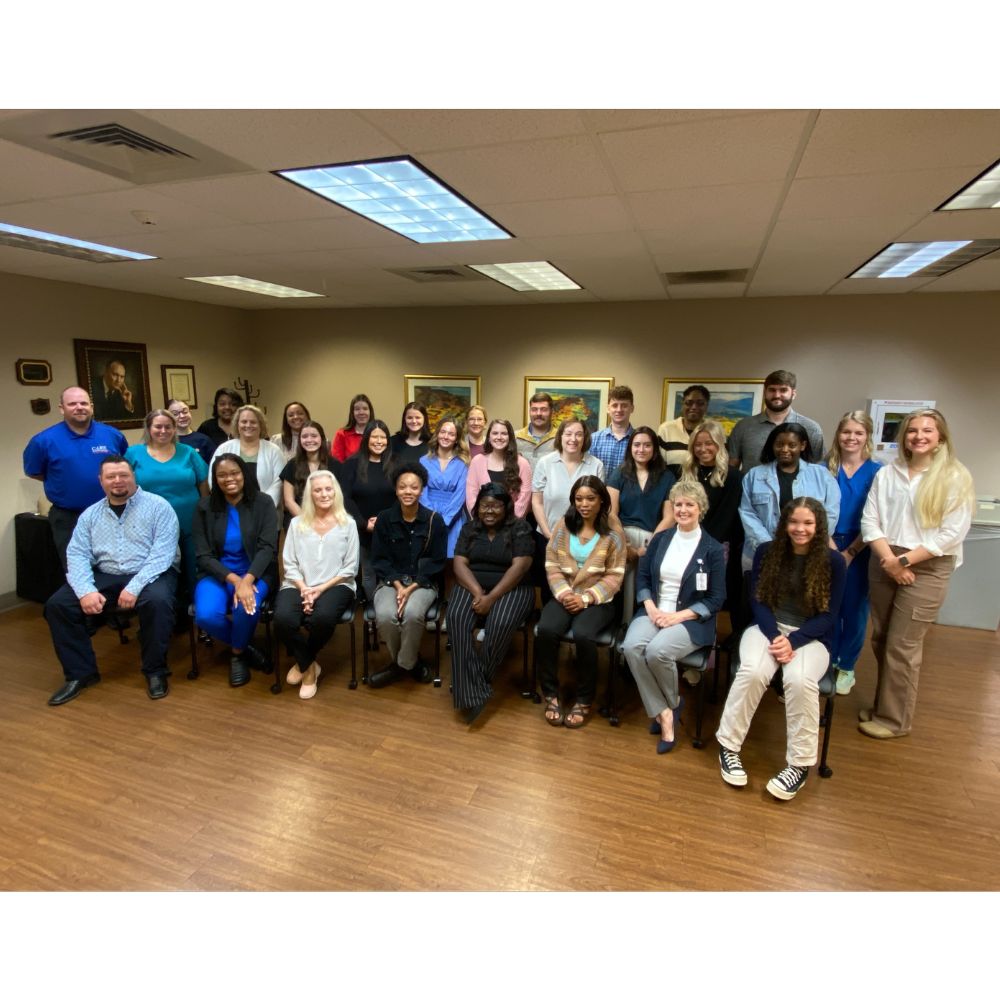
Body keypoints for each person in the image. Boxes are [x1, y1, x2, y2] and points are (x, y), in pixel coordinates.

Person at [716, 498, 846, 801]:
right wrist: (776, 636)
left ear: (819, 526)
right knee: (753, 671)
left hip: (811, 637)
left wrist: (794, 641)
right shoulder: (767, 552)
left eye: (808, 523)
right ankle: (729, 747)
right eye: (794, 522)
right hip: (767, 629)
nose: (800, 529)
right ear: (784, 523)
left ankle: (799, 766)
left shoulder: (834, 562)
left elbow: (830, 615)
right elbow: (758, 601)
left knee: (799, 681)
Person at [858, 408, 974, 740]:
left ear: (940, 439)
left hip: (928, 564)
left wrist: (904, 563)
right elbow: (871, 520)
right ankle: (884, 706)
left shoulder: (955, 476)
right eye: (912, 431)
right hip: (884, 557)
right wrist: (890, 560)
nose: (918, 436)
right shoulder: (888, 473)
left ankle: (895, 720)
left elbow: (951, 534)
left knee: (903, 645)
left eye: (927, 431)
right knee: (881, 638)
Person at [43, 456, 180, 705]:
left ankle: (155, 671)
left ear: (133, 476)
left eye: (123, 475)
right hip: (106, 573)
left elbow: (163, 554)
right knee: (58, 605)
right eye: (111, 477)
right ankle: (80, 674)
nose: (118, 481)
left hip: (151, 572)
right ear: (101, 481)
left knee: (156, 603)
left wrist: (135, 586)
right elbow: (76, 554)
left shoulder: (159, 507)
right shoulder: (89, 515)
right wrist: (85, 591)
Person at [622, 481, 726, 752]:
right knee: (631, 647)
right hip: (655, 611)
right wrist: (651, 608)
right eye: (678, 504)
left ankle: (666, 713)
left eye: (689, 504)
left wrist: (677, 616)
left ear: (700, 508)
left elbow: (716, 599)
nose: (682, 509)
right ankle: (668, 708)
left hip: (690, 619)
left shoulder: (712, 549)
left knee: (657, 651)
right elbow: (643, 577)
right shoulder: (661, 539)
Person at [536, 476, 627, 729]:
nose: (584, 504)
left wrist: (585, 598)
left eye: (590, 498)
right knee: (546, 629)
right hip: (565, 593)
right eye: (579, 499)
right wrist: (565, 594)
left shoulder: (613, 529)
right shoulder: (564, 525)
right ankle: (551, 694)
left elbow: (615, 575)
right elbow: (552, 563)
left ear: (601, 500)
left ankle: (585, 698)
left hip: (599, 599)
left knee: (584, 634)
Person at [450, 482, 535, 724]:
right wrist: (478, 591)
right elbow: (459, 564)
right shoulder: (469, 529)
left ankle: (471, 684)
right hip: (472, 584)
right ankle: (475, 687)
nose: (489, 511)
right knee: (456, 618)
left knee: (500, 622)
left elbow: (521, 567)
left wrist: (491, 598)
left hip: (513, 588)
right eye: (484, 506)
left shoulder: (520, 528)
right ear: (477, 508)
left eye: (495, 506)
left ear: (506, 508)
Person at [192, 454, 278, 687]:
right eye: (222, 475)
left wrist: (246, 581)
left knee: (246, 610)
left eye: (234, 473)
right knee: (206, 615)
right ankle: (245, 646)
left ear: (244, 475)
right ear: (214, 479)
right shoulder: (204, 507)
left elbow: (268, 548)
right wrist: (235, 581)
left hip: (256, 572)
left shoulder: (263, 503)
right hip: (217, 574)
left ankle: (238, 654)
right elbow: (203, 555)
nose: (229, 479)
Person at [275, 471, 360, 700]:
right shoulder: (296, 524)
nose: (324, 494)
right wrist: (304, 588)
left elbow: (350, 568)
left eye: (328, 489)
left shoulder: (348, 524)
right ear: (310, 495)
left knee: (321, 619)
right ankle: (310, 664)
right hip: (297, 583)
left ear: (336, 492)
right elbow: (289, 563)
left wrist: (319, 590)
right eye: (318, 490)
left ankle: (304, 664)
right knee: (282, 618)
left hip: (337, 584)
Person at [24, 386, 129, 569]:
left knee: (118, 565)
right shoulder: (43, 441)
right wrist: (67, 481)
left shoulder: (112, 435)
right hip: (68, 517)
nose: (79, 407)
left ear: (91, 407)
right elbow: (34, 472)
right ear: (61, 408)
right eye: (72, 404)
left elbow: (123, 465)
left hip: (111, 512)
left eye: (83, 403)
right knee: (77, 570)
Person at [367, 463, 448, 689]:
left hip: (422, 583)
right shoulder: (384, 519)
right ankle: (411, 663)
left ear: (422, 490)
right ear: (396, 490)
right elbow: (379, 560)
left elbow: (437, 561)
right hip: (389, 582)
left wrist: (411, 587)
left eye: (414, 487)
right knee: (384, 615)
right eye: (403, 487)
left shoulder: (434, 520)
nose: (408, 492)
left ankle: (399, 666)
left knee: (412, 613)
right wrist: (397, 586)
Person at [824, 411, 881, 696]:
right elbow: (814, 510)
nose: (851, 438)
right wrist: (833, 548)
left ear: (867, 436)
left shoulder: (878, 472)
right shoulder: (824, 468)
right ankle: (825, 658)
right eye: (846, 432)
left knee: (855, 609)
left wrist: (852, 551)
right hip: (824, 543)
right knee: (826, 605)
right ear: (838, 434)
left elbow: (877, 516)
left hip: (864, 546)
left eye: (858, 433)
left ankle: (846, 666)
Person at [125, 409, 208, 600]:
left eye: (168, 427)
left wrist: (205, 511)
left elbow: (203, 482)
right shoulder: (133, 453)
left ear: (174, 428)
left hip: (189, 522)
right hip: (150, 526)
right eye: (158, 426)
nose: (163, 431)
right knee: (161, 570)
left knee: (193, 567)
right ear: (149, 428)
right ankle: (167, 610)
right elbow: (124, 485)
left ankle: (196, 608)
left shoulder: (187, 452)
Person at [739, 422, 840, 572]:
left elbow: (830, 514)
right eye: (779, 444)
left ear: (803, 445)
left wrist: (804, 543)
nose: (785, 449)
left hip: (808, 553)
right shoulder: (754, 475)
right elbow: (747, 513)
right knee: (760, 594)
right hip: (763, 552)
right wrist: (769, 546)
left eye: (792, 445)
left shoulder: (822, 476)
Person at [607, 426, 676, 619]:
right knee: (619, 586)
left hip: (652, 538)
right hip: (621, 536)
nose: (641, 449)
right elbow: (611, 513)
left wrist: (650, 545)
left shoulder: (667, 476)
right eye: (637, 445)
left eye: (647, 445)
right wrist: (625, 545)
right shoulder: (619, 473)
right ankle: (619, 629)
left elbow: (669, 516)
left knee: (644, 587)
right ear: (630, 447)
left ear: (654, 449)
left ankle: (637, 627)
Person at [339, 420, 395, 601]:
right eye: (374, 437)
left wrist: (384, 522)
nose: (379, 441)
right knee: (369, 573)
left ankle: (388, 610)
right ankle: (373, 613)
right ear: (366, 439)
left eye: (383, 437)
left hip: (391, 528)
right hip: (362, 529)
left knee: (390, 572)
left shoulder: (396, 463)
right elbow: (345, 498)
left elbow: (402, 495)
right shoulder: (352, 463)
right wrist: (364, 524)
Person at [727, 370, 825, 472]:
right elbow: (732, 466)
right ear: (765, 392)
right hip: (751, 487)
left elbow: (818, 470)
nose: (777, 395)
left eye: (783, 390)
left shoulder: (811, 428)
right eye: (772, 390)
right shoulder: (743, 426)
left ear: (793, 394)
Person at [532, 418, 606, 544]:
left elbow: (600, 504)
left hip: (585, 539)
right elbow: (537, 502)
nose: (573, 439)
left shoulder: (596, 465)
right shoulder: (545, 463)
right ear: (560, 436)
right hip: (548, 536)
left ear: (585, 438)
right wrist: (548, 534)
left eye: (579, 434)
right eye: (568, 434)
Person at [679, 419, 743, 551]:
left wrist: (702, 544)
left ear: (719, 444)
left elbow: (726, 518)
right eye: (697, 444)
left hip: (718, 545)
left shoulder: (732, 476)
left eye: (709, 443)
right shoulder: (686, 472)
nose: (703, 449)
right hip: (687, 541)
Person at [209, 404, 284, 508]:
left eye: (253, 422)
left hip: (266, 509)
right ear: (237, 424)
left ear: (260, 425)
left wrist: (264, 506)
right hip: (230, 508)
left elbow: (279, 482)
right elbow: (213, 477)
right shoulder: (224, 448)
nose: (248, 425)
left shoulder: (274, 450)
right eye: (244, 422)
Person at [419, 417, 469, 557]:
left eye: (451, 434)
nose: (446, 436)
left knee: (452, 566)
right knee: (427, 563)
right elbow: (422, 493)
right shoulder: (423, 461)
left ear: (457, 438)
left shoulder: (463, 463)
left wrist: (444, 521)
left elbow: (460, 496)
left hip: (454, 519)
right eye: (443, 432)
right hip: (427, 518)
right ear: (437, 433)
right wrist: (432, 520)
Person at [465, 419, 532, 519]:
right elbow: (471, 496)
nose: (499, 437)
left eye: (504, 433)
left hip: (512, 526)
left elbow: (524, 497)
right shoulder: (477, 461)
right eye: (495, 433)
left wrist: (508, 523)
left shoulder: (522, 464)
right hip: (483, 525)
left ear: (510, 437)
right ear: (489, 437)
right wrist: (482, 520)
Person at [280, 420, 336, 530]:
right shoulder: (292, 465)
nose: (309, 440)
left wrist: (324, 522)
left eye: (314, 436)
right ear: (300, 440)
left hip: (329, 521)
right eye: (305, 436)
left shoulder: (335, 465)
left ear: (322, 438)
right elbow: (289, 501)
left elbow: (338, 498)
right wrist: (307, 521)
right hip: (299, 521)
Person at [658, 384, 710, 466]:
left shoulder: (714, 430)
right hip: (672, 479)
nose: (694, 407)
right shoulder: (666, 429)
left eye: (700, 403)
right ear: (683, 405)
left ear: (707, 406)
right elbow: (659, 465)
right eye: (689, 403)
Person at [589, 385, 635, 476]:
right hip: (598, 490)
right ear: (608, 408)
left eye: (624, 405)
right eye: (614, 405)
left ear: (632, 408)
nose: (619, 410)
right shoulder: (594, 439)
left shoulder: (639, 441)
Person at [515, 391, 557, 471]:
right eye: (534, 409)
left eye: (543, 410)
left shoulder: (561, 438)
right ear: (529, 411)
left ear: (552, 412)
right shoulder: (515, 437)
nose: (538, 413)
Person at [167, 398, 215, 464]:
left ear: (190, 412)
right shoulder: (166, 440)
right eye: (175, 414)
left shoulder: (203, 440)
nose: (182, 416)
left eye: (185, 411)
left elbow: (214, 467)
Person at [331, 394, 374, 463]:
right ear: (352, 413)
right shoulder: (342, 434)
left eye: (365, 409)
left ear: (370, 412)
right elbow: (337, 464)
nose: (361, 412)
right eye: (357, 409)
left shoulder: (377, 434)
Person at [390, 402, 431, 467]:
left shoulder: (433, 442)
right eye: (409, 418)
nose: (414, 421)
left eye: (418, 417)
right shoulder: (392, 442)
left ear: (424, 419)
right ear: (404, 420)